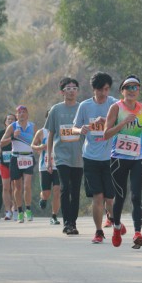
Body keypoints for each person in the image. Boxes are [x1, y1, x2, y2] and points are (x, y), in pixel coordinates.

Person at [103, 75, 142, 249]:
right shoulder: (116, 108)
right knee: (120, 196)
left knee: (136, 196)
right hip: (119, 158)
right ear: (122, 91)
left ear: (139, 90)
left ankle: (137, 232)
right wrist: (123, 123)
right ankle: (117, 228)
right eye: (128, 87)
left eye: (135, 87)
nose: (132, 91)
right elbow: (106, 134)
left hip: (138, 157)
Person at [72, 72, 118, 243]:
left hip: (111, 156)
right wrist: (81, 129)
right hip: (90, 157)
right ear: (94, 89)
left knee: (110, 199)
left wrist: (106, 121)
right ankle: (99, 232)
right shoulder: (85, 106)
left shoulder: (114, 104)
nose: (104, 93)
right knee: (98, 196)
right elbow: (74, 128)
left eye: (106, 89)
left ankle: (112, 218)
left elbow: (124, 123)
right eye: (100, 90)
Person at [45, 77, 83, 235]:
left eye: (74, 88)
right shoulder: (55, 110)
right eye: (68, 88)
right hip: (61, 156)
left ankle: (73, 222)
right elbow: (50, 135)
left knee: (75, 191)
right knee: (64, 188)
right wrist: (49, 158)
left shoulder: (82, 108)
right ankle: (67, 222)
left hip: (79, 156)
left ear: (77, 91)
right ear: (62, 92)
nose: (72, 91)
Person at [1, 105, 35, 223]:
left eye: (24, 112)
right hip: (16, 158)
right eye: (19, 112)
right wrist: (12, 137)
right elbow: (2, 143)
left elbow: (37, 140)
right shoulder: (12, 126)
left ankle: (28, 210)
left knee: (27, 185)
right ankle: (20, 211)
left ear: (27, 114)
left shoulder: (32, 126)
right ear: (16, 115)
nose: (21, 114)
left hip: (28, 157)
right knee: (17, 187)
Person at [32, 122, 61, 225]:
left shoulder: (60, 130)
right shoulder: (41, 132)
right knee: (46, 193)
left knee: (57, 190)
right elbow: (32, 145)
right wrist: (40, 147)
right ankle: (43, 198)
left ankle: (54, 216)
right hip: (44, 166)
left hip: (58, 165)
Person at [0, 114, 17, 220]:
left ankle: (15, 209)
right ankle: (7, 211)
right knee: (6, 187)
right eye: (8, 119)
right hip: (4, 163)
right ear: (5, 122)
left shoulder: (18, 133)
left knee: (15, 187)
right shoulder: (0, 134)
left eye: (12, 119)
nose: (10, 121)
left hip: (16, 163)